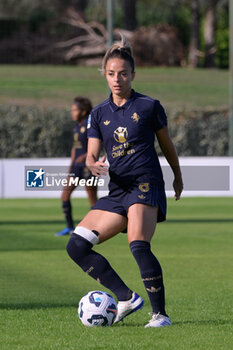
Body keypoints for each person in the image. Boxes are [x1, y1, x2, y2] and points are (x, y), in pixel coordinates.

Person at [66, 36, 183, 327]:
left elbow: (167, 145)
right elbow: (92, 154)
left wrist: (178, 176)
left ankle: (160, 315)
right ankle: (126, 297)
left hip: (146, 184)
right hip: (117, 190)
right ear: (104, 74)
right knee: (76, 246)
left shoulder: (148, 106)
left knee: (138, 245)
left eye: (123, 73)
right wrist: (92, 164)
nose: (117, 79)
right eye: (111, 74)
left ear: (132, 75)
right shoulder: (97, 114)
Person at [56, 97, 97, 236]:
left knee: (92, 198)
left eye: (75, 110)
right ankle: (69, 227)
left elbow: (97, 143)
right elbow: (75, 148)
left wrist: (86, 156)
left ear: (83, 111)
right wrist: (71, 165)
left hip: (88, 167)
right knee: (65, 195)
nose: (72, 112)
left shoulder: (90, 124)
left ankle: (95, 227)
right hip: (76, 167)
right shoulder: (76, 126)